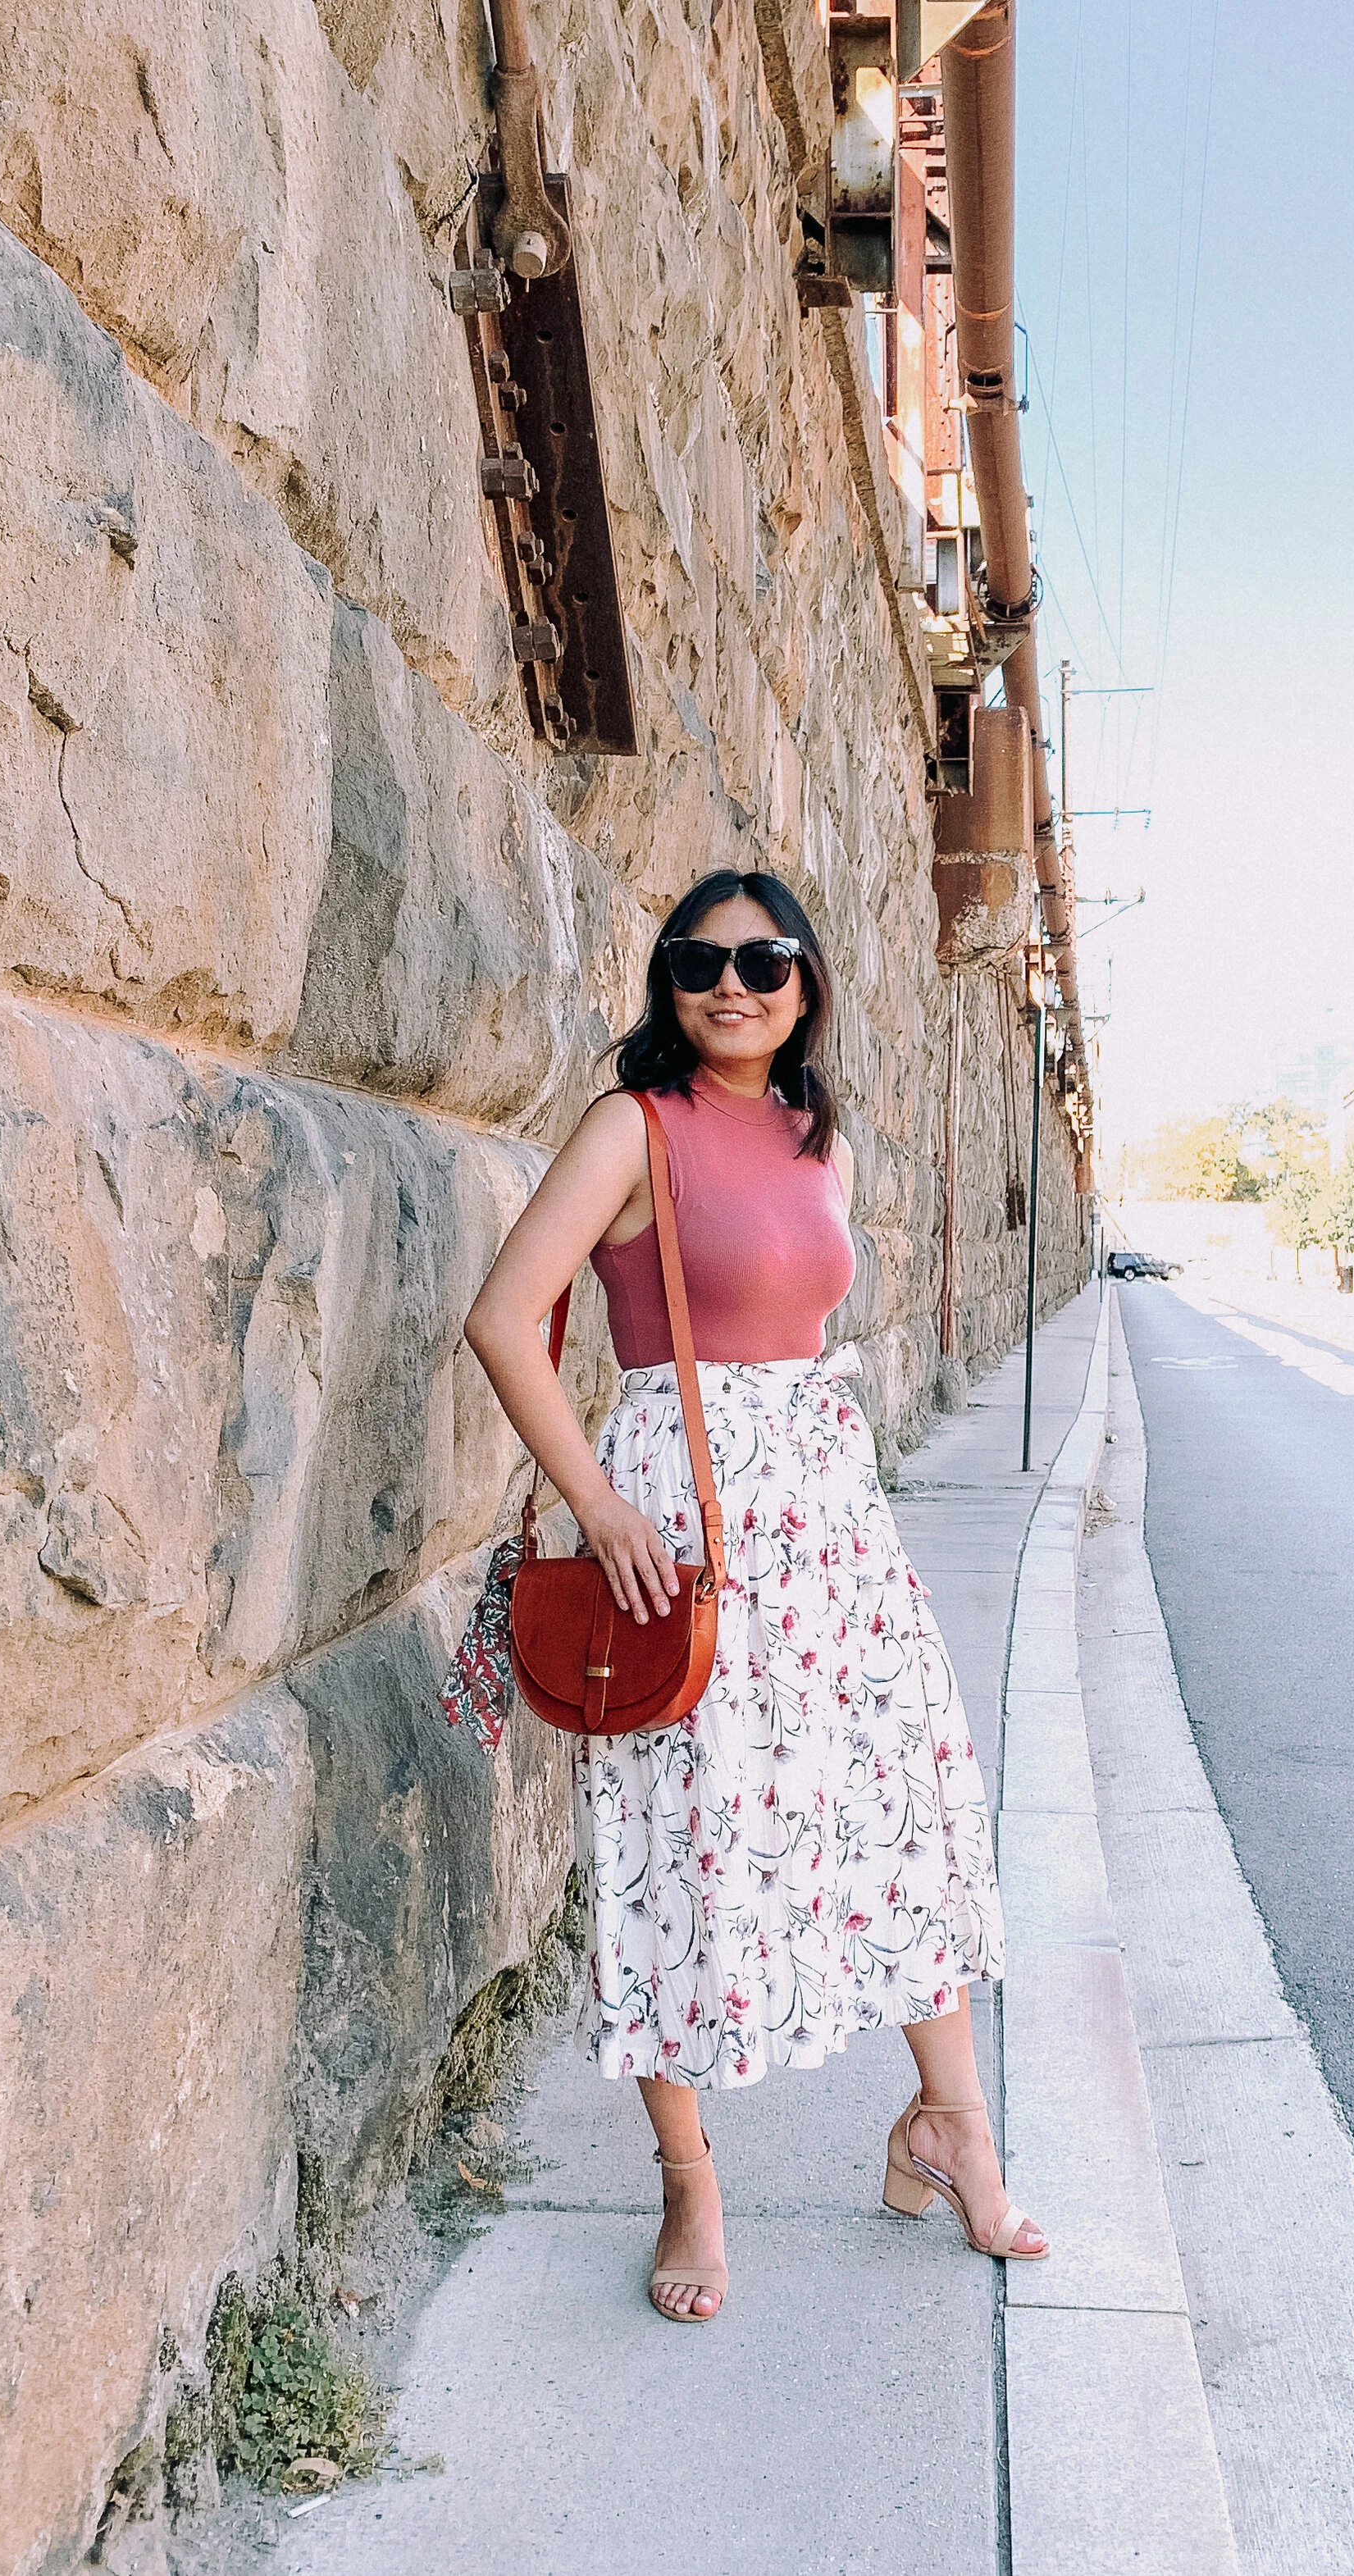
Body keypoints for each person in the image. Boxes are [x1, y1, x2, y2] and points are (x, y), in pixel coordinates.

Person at [466, 869, 1046, 2323]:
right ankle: (688, 2179)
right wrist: (597, 1508)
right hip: (682, 1511)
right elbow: (500, 1318)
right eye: (701, 961)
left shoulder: (813, 1138)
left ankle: (950, 2125)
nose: (734, 984)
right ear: (667, 982)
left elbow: (806, 1331)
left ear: (806, 986)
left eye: (767, 961)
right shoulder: (633, 1129)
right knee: (686, 1837)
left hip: (833, 1520)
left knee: (900, 1801)